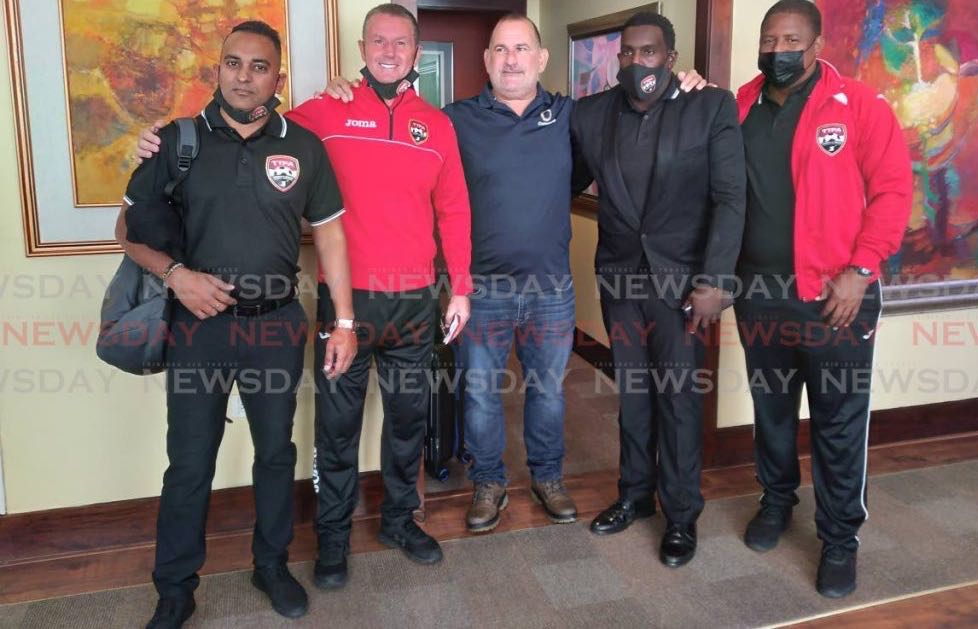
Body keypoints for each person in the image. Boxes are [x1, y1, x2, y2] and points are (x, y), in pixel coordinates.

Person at [322, 13, 708, 535]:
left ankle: (548, 478)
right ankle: (488, 483)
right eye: (500, 50)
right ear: (486, 60)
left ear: (541, 59)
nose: (510, 60)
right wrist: (346, 88)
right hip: (480, 291)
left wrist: (684, 83)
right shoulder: (453, 120)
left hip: (551, 288)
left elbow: (636, 103)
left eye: (522, 49)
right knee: (480, 392)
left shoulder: (573, 116)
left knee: (548, 390)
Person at [134, 3, 473, 595]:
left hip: (417, 300)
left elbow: (455, 209)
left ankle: (399, 520)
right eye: (378, 41)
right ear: (362, 49)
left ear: (416, 55)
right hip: (342, 304)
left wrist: (461, 287)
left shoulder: (437, 125)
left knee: (407, 422)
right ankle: (333, 540)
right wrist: (151, 146)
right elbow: (252, 123)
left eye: (401, 43)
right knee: (334, 430)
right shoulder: (323, 112)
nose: (389, 51)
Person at [117, 21, 356, 628]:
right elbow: (125, 234)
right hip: (201, 326)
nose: (244, 76)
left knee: (276, 452)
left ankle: (270, 564)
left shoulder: (303, 147)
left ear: (277, 77)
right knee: (191, 458)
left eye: (258, 66)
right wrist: (177, 276)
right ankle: (174, 587)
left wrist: (346, 320)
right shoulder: (177, 141)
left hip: (277, 325)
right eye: (233, 63)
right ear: (217, 69)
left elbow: (329, 235)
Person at [732, 0, 912, 598]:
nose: (777, 50)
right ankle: (777, 501)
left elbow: (891, 192)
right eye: (769, 39)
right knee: (773, 411)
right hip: (758, 294)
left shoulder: (858, 105)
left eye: (790, 40)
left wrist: (861, 270)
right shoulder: (741, 103)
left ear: (815, 47)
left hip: (835, 296)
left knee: (837, 421)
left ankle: (839, 538)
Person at [570, 12, 746, 568]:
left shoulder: (710, 107)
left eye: (649, 53)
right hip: (622, 280)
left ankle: (682, 514)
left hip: (684, 287)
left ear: (670, 59)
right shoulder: (592, 113)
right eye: (628, 53)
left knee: (678, 401)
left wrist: (716, 280)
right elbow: (563, 177)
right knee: (635, 397)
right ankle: (634, 496)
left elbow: (730, 198)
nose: (637, 62)